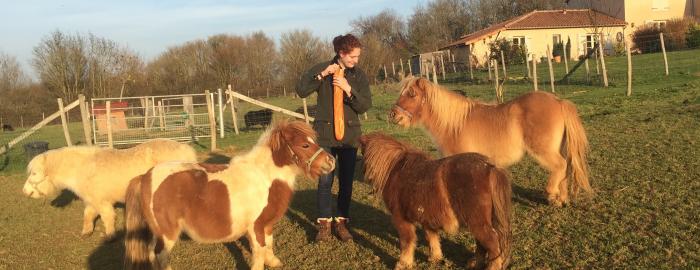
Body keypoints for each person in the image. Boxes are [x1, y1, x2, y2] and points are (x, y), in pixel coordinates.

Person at [296, 34, 372, 242]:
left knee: (346, 182)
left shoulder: (359, 76)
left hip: (349, 137)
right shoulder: (323, 68)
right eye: (353, 57)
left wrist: (348, 89)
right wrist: (321, 75)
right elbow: (301, 90)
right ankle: (324, 225)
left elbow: (365, 105)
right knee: (325, 181)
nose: (356, 61)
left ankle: (341, 222)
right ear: (341, 53)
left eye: (357, 57)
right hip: (325, 137)